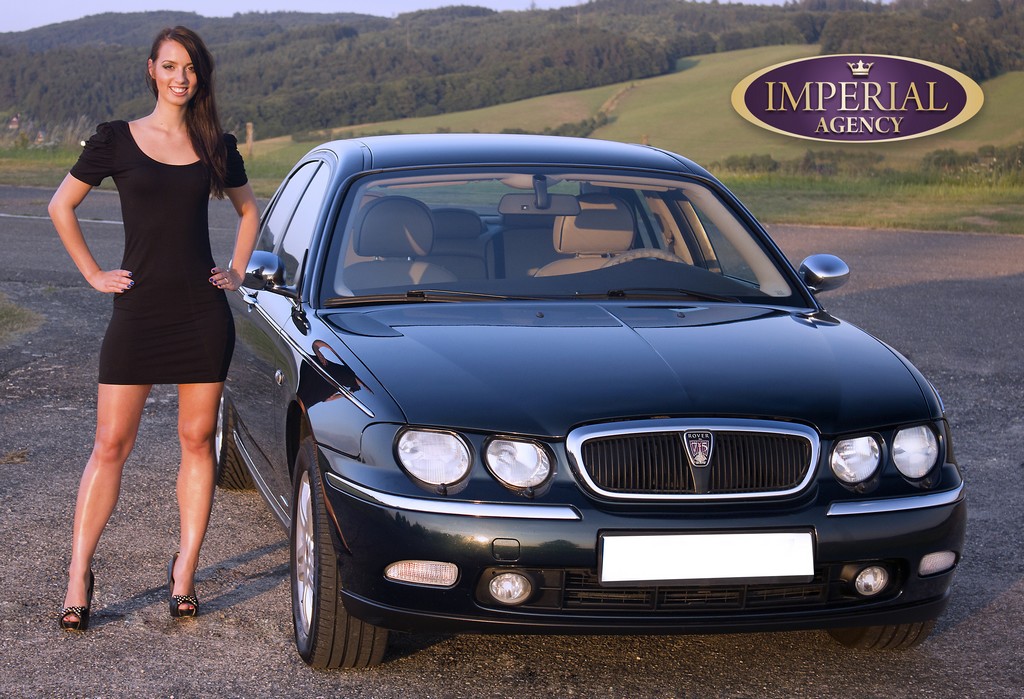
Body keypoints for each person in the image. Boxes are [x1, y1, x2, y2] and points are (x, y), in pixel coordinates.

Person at [49, 26, 260, 630]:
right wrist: (93, 273)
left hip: (201, 313)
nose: (180, 77)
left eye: (189, 67)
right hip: (138, 311)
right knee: (110, 443)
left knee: (197, 440)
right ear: (152, 70)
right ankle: (78, 574)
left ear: (200, 75)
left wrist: (237, 270)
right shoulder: (116, 139)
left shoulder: (215, 144)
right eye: (170, 66)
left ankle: (185, 571)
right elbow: (61, 205)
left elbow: (250, 209)